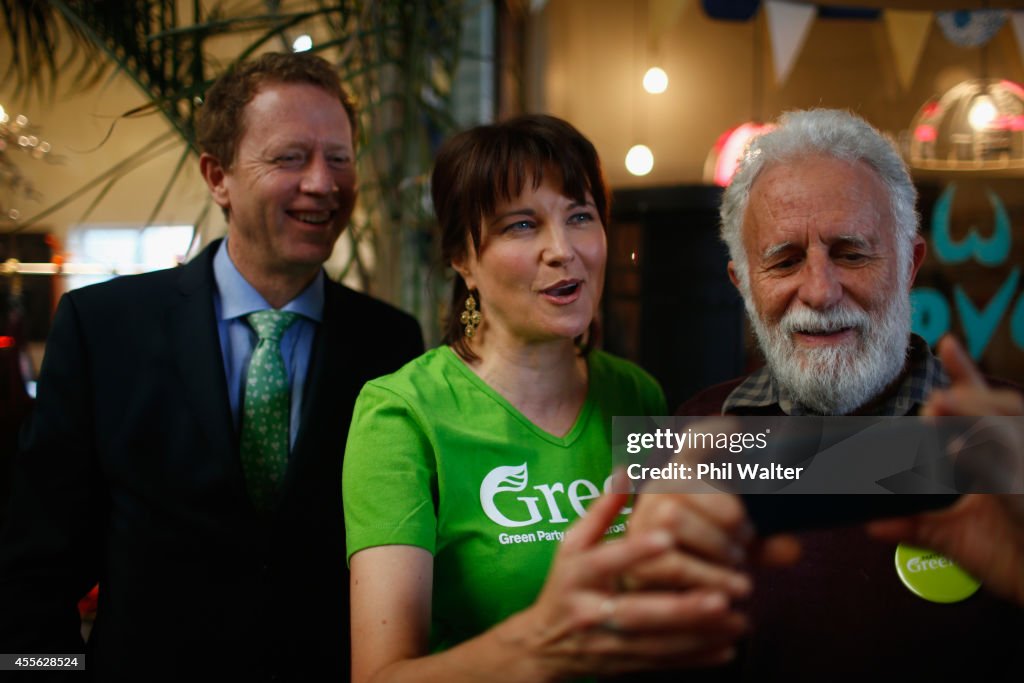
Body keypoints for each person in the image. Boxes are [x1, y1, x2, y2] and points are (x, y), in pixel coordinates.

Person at [0, 52, 424, 682]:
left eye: (339, 158)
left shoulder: (389, 343)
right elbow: (34, 568)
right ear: (217, 175)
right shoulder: (105, 328)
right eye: (290, 157)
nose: (323, 182)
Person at [342, 114, 760, 682]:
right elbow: (378, 677)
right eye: (521, 225)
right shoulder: (402, 413)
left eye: (581, 216)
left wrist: (920, 460)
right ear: (462, 259)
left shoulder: (635, 393)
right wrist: (539, 645)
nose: (563, 249)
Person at [657, 108, 1024, 679]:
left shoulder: (1007, 442)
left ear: (909, 265)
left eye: (852, 253)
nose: (821, 292)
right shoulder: (698, 436)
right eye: (783, 259)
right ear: (743, 284)